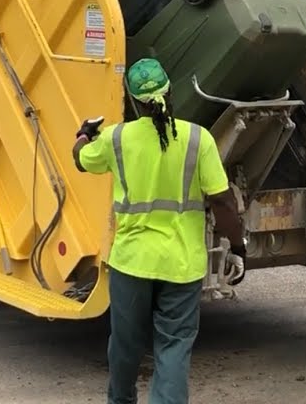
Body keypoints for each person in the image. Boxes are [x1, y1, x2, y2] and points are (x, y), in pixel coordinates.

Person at [72, 57, 246, 404]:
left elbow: (80, 158)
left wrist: (83, 133)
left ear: (134, 102)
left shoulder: (116, 138)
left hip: (132, 262)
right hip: (181, 266)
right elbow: (224, 202)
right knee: (173, 347)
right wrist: (238, 245)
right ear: (170, 90)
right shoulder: (199, 140)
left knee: (125, 343)